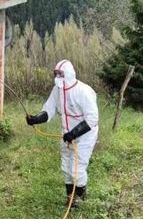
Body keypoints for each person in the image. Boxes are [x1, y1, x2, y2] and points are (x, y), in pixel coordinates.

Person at [26, 60, 99, 208]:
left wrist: (75, 133)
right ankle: (70, 198)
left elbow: (92, 118)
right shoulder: (57, 90)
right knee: (66, 166)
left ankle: (79, 197)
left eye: (61, 74)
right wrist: (36, 119)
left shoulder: (83, 91)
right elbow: (49, 109)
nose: (58, 77)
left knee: (77, 168)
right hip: (66, 133)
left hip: (84, 135)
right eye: (56, 74)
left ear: (70, 74)